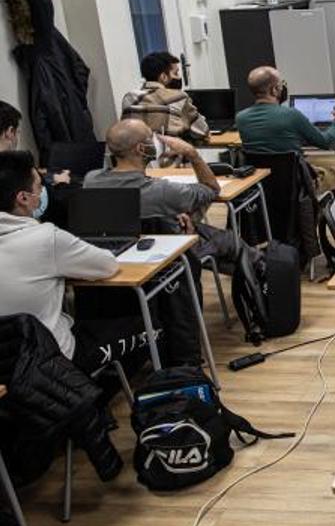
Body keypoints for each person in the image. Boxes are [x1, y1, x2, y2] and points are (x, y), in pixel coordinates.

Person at [0, 151, 185, 374]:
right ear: (23, 198)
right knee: (150, 324)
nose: (43, 193)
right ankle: (106, 392)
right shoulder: (47, 239)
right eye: (40, 188)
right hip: (52, 361)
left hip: (7, 364)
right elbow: (107, 265)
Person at [84, 119, 256, 269]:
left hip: (118, 254)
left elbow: (127, 209)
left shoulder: (91, 180)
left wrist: (169, 213)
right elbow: (211, 189)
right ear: (141, 148)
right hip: (167, 254)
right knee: (230, 242)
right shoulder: (163, 191)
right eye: (151, 137)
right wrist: (192, 154)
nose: (157, 141)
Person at [236, 66, 335, 194]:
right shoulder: (292, 115)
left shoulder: (241, 118)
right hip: (296, 184)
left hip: (261, 185)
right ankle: (315, 211)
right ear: (274, 90)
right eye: (281, 84)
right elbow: (326, 142)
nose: (283, 87)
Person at [0, 99, 70, 220]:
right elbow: (39, 206)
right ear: (10, 132)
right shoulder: (16, 165)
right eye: (17, 132)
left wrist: (51, 178)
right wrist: (62, 184)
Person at [121, 51, 210, 142]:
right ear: (163, 77)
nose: (179, 78)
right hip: (169, 153)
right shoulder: (179, 97)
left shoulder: (129, 98)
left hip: (137, 154)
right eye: (176, 73)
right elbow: (202, 132)